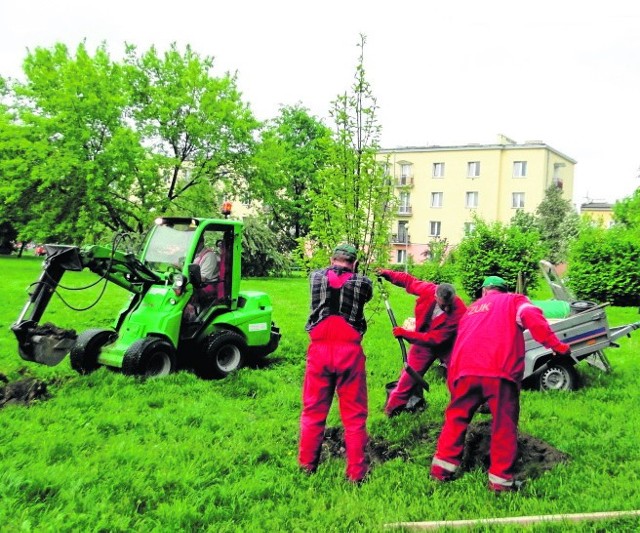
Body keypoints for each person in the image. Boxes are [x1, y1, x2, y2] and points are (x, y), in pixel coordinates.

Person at [430, 275, 571, 493]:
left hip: (464, 372)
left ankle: (441, 471)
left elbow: (458, 346)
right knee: (503, 425)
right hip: (499, 372)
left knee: (456, 419)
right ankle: (501, 482)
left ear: (485, 291)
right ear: (504, 290)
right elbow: (532, 317)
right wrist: (557, 346)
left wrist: (454, 385)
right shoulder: (515, 300)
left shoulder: (471, 310)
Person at [298, 244, 374, 484]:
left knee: (313, 411)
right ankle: (356, 473)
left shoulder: (315, 277)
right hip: (349, 352)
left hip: (319, 351)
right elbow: (366, 295)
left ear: (332, 259)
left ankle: (307, 466)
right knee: (354, 416)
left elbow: (328, 279)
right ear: (354, 262)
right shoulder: (362, 283)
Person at [377, 270, 467, 417]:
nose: (447, 308)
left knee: (458, 379)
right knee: (407, 379)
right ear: (435, 296)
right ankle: (391, 411)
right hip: (422, 345)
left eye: (449, 304)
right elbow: (408, 281)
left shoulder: (459, 311)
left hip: (448, 346)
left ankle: (460, 412)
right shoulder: (428, 290)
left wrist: (406, 334)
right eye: (444, 305)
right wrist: (388, 274)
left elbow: (435, 339)